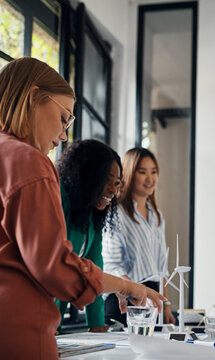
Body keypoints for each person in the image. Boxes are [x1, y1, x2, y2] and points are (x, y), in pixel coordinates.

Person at [0, 57, 165, 359]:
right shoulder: (30, 162)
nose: (63, 134)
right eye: (64, 118)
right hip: (19, 332)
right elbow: (56, 266)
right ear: (35, 97)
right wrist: (132, 287)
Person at [55, 139, 123, 333]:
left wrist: (97, 325)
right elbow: (54, 264)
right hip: (34, 313)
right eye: (106, 179)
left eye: (116, 183)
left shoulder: (95, 215)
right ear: (86, 175)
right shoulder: (60, 198)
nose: (112, 190)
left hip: (54, 320)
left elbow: (95, 266)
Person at [103, 147, 175, 325]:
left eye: (154, 172)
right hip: (125, 300)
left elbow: (161, 266)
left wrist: (166, 306)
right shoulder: (116, 213)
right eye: (142, 172)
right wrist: (132, 288)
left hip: (152, 301)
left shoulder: (157, 215)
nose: (150, 179)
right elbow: (112, 263)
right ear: (129, 173)